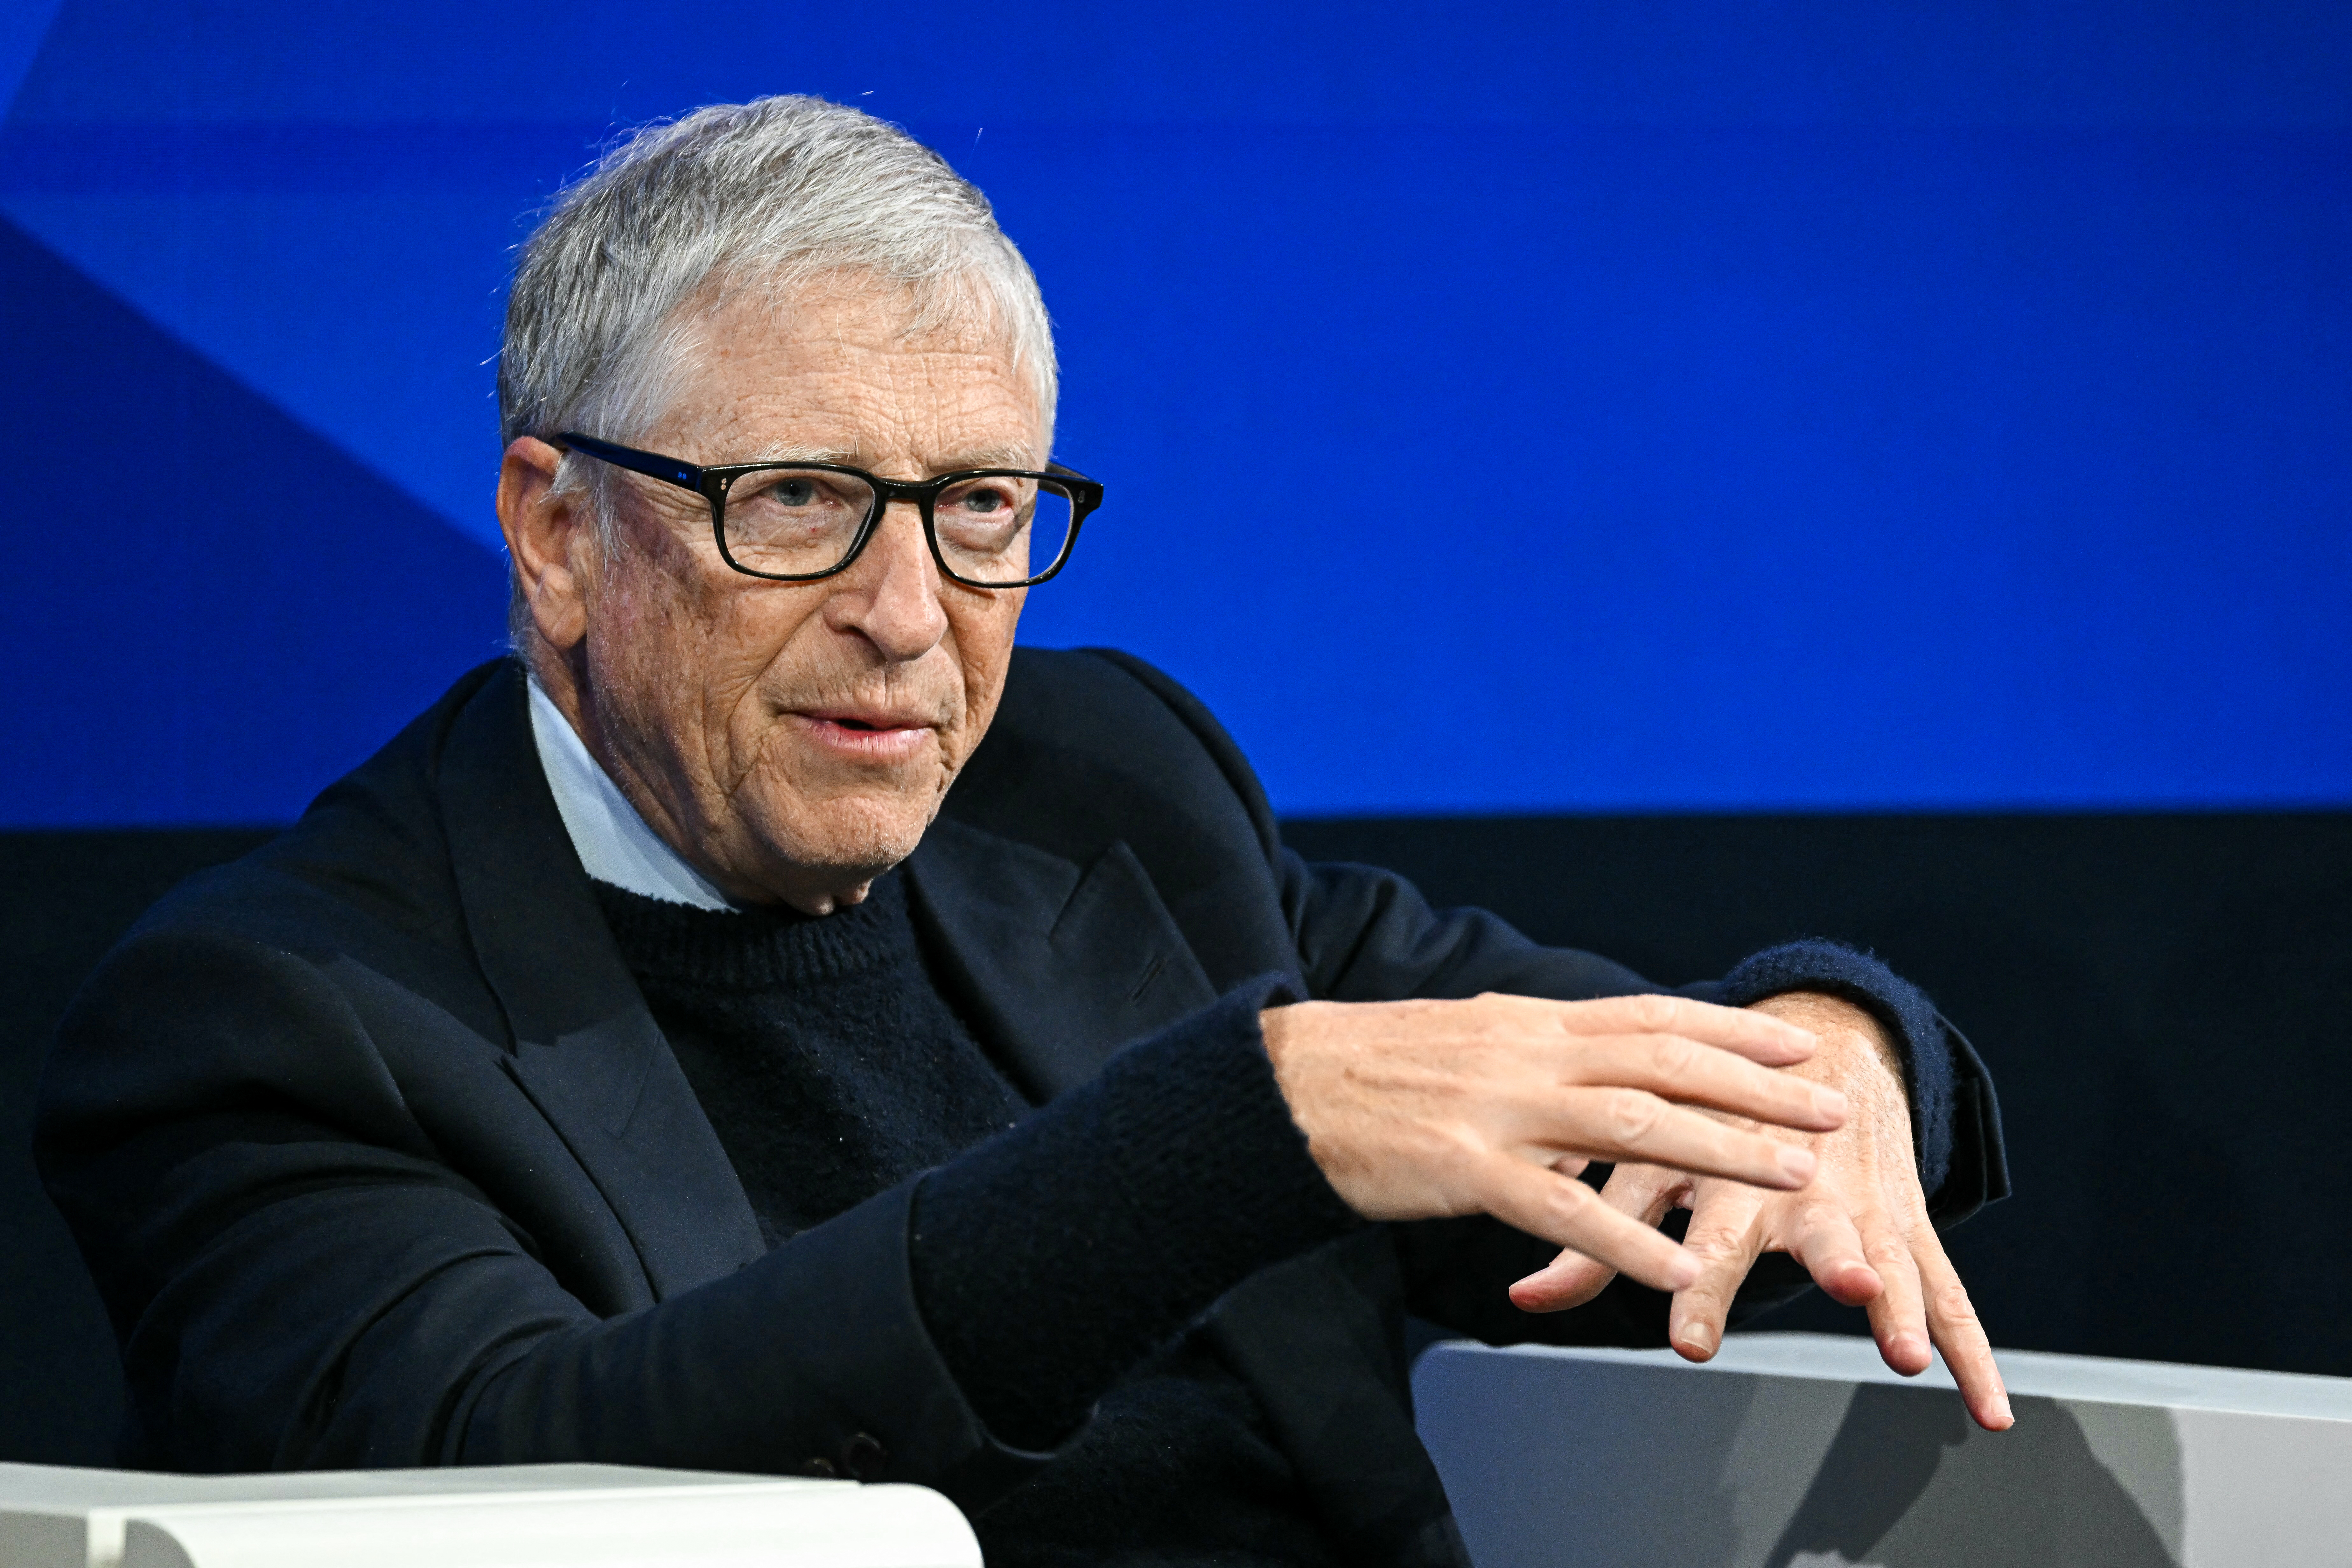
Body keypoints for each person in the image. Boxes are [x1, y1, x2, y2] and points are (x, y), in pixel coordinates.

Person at [38, 97, 2010, 1568]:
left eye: (980, 509)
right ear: (561, 532)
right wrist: (1236, 1135)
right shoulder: (279, 1018)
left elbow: (1577, 1092)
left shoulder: (1101, 781)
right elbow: (517, 1479)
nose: (910, 616)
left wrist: (1830, 1055)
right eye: (800, 501)